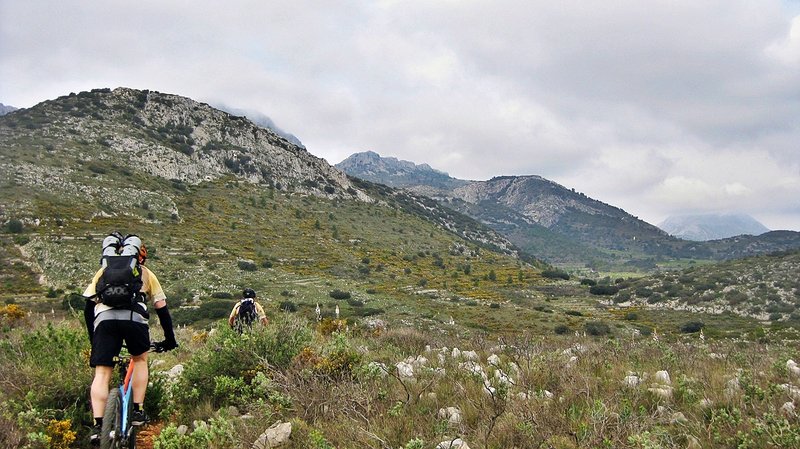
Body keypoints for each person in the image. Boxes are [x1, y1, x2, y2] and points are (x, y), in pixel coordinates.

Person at [83, 233, 178, 445]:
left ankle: (99, 426)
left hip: (104, 321)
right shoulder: (146, 273)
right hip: (134, 320)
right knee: (139, 359)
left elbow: (88, 307)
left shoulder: (103, 271)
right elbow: (162, 310)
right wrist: (169, 339)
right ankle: (137, 410)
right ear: (139, 256)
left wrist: (94, 338)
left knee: (102, 372)